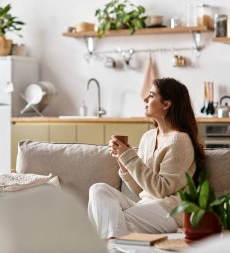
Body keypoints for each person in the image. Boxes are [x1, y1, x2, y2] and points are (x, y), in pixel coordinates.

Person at [88, 77, 205, 239]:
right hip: (145, 205)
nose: (145, 99)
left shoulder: (180, 140)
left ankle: (107, 246)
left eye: (151, 95)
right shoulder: (148, 137)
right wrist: (122, 161)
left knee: (113, 220)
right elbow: (141, 189)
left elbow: (161, 189)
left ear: (166, 104)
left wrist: (129, 157)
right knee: (98, 190)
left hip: (170, 210)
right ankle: (113, 243)